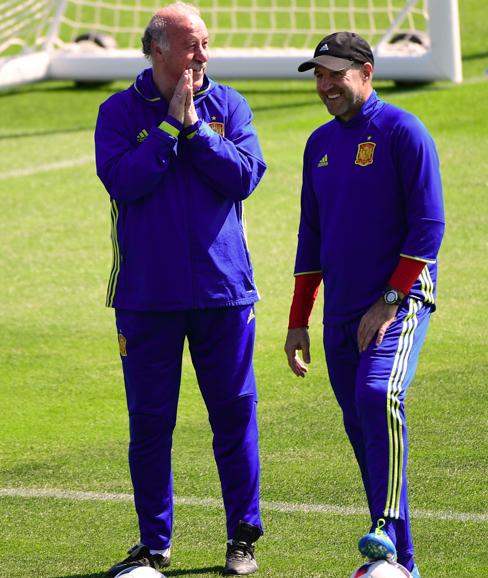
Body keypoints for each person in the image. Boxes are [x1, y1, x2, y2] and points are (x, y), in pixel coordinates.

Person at [94, 3, 266, 576]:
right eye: (192, 45)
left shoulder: (229, 106)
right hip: (147, 299)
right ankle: (154, 544)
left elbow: (244, 175)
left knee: (234, 417)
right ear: (158, 49)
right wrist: (170, 127)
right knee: (149, 423)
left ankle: (242, 538)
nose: (203, 55)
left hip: (224, 294)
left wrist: (195, 130)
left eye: (206, 43)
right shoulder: (117, 112)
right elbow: (125, 180)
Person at [284, 32, 445, 578]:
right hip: (340, 315)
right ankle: (404, 561)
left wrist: (390, 300)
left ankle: (382, 524)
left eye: (335, 73)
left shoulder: (403, 131)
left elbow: (429, 227)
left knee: (379, 395)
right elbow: (312, 236)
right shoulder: (319, 144)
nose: (325, 85)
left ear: (366, 72)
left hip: (398, 302)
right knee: (364, 432)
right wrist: (298, 319)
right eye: (318, 75)